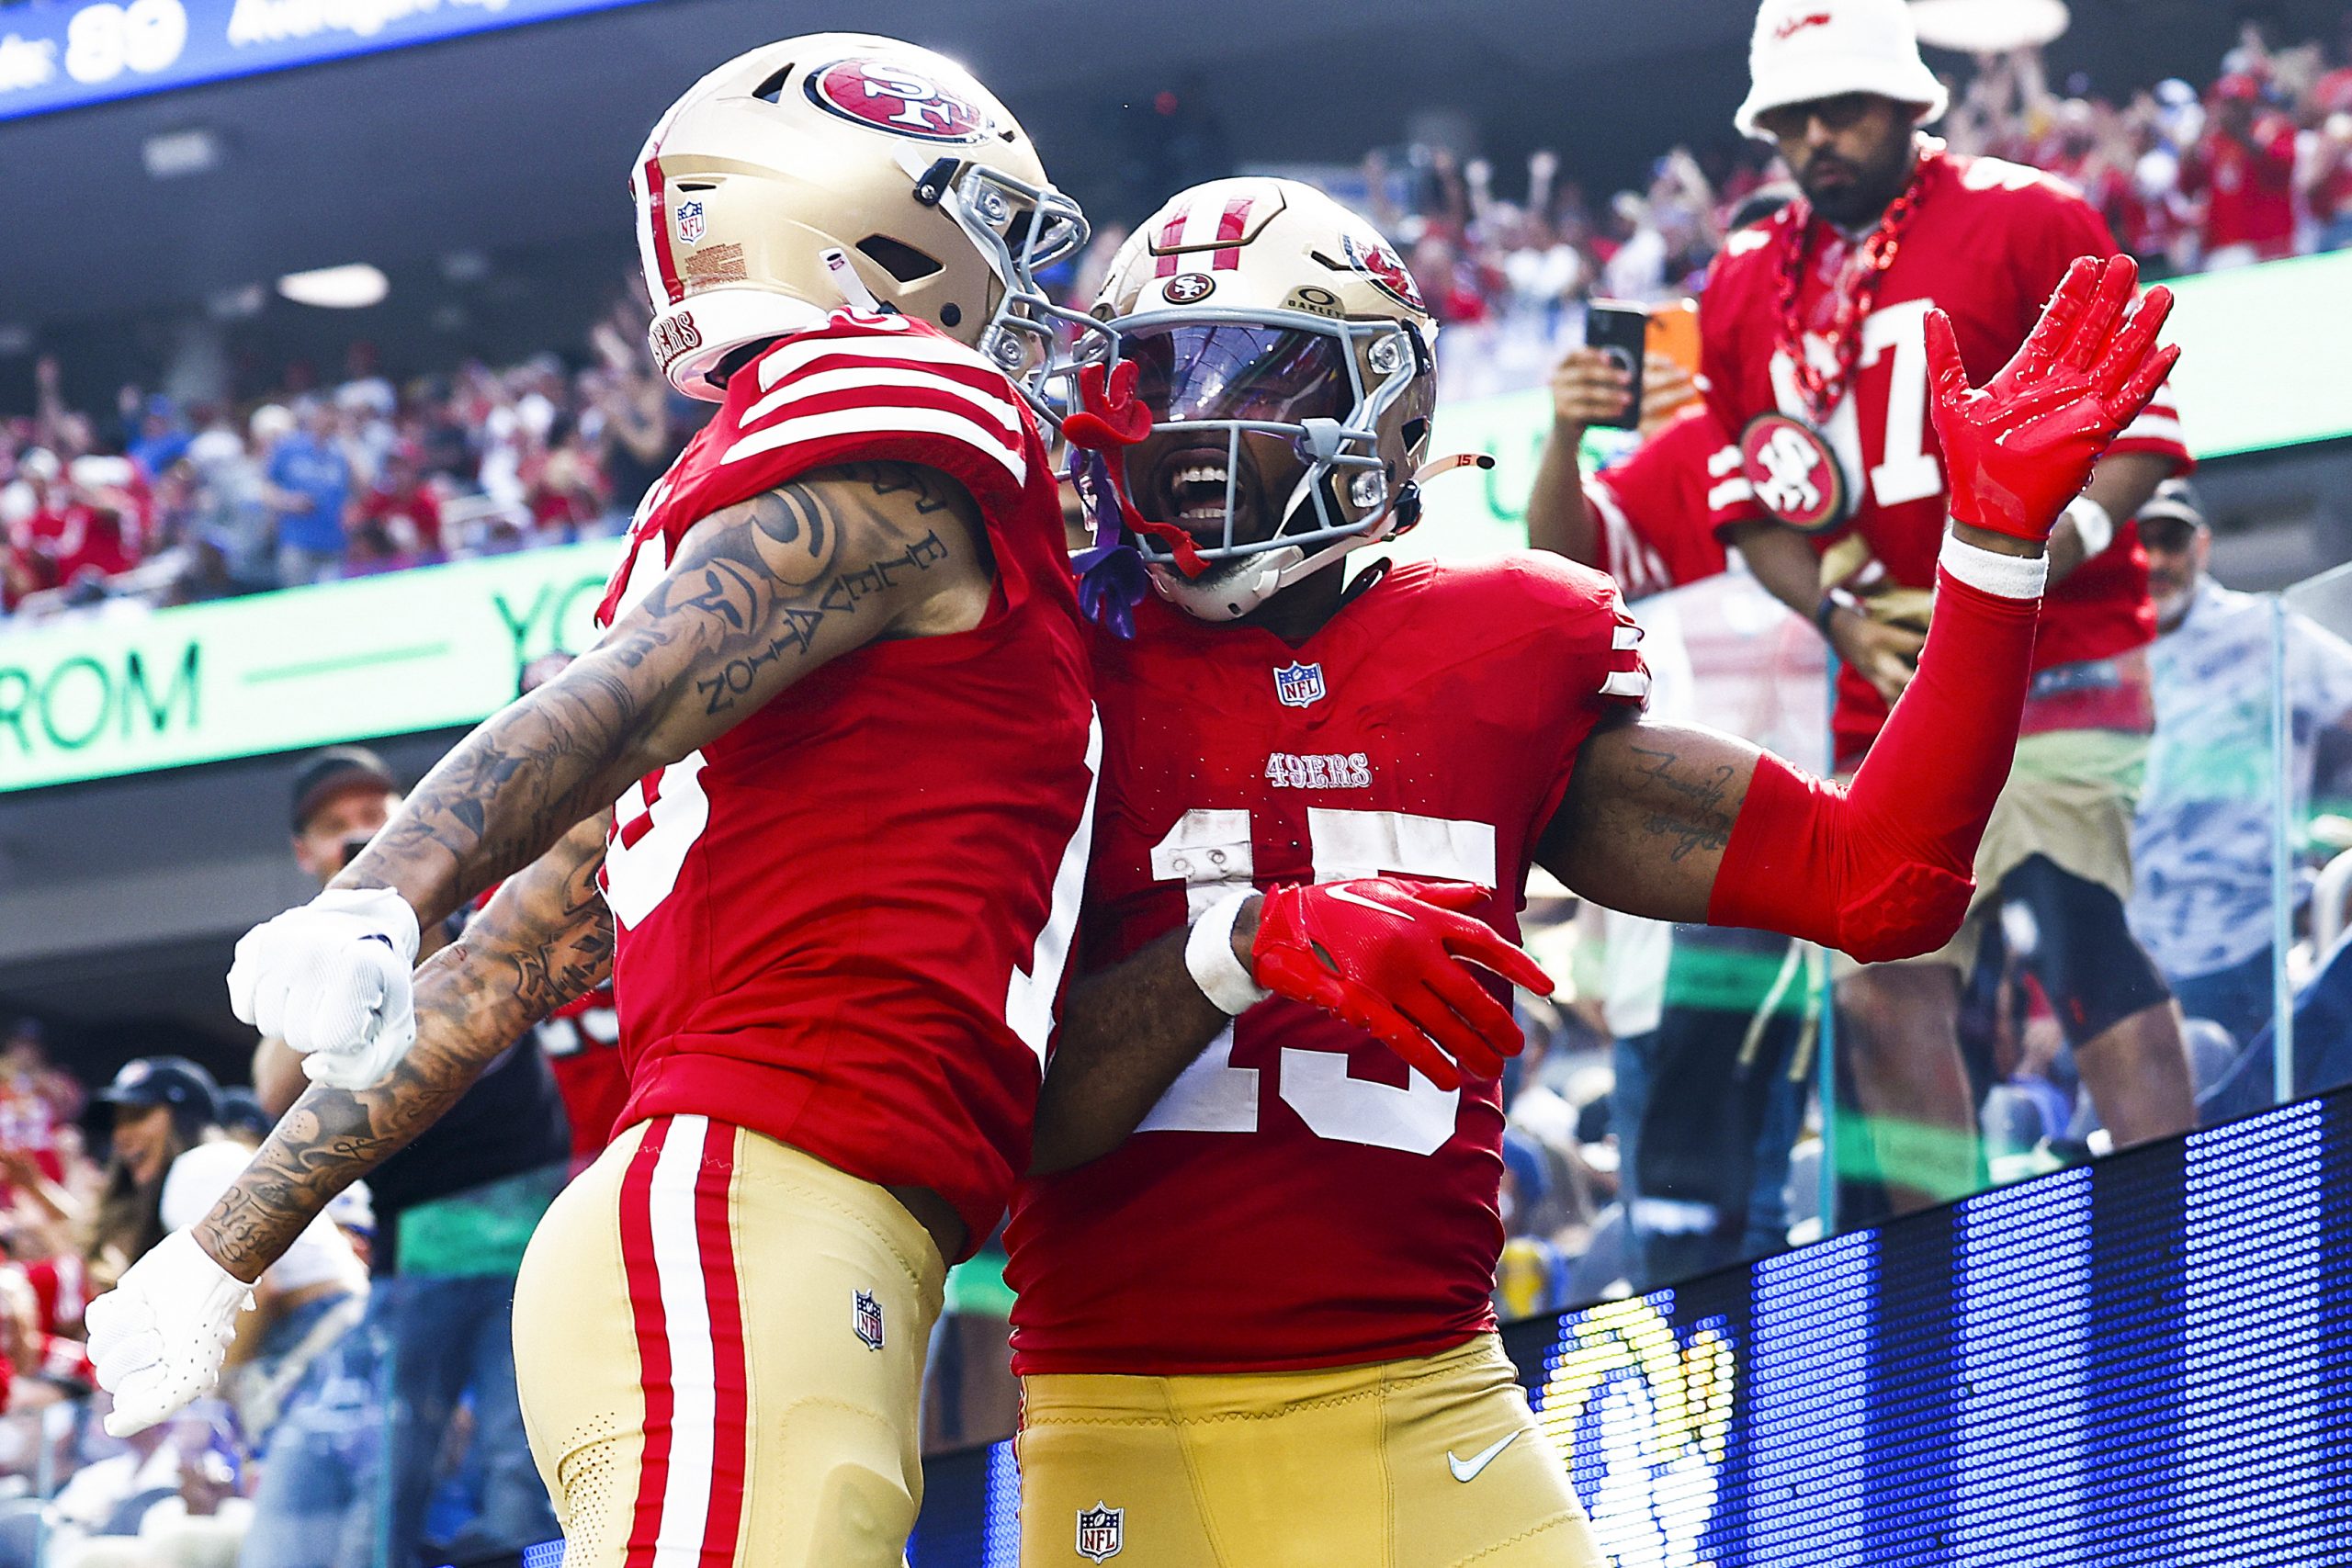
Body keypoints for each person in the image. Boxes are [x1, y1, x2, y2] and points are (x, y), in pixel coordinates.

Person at [1004, 176, 2176, 1566]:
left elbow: (1886, 882)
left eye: (1243, 368)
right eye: (1151, 374)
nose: (1185, 421)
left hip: (1430, 1398)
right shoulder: (1053, 657)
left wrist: (1990, 557)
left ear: (1385, 404)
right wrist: (1237, 944)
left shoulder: (1499, 647)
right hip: (1133, 1414)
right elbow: (1014, 1123)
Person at [89, 34, 1111, 1568]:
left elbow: (513, 963)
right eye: (977, 217)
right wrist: (387, 883)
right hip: (747, 1208)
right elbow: (628, 691)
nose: (1016, 279)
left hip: (773, 1216)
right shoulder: (895, 458)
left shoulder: (818, 607)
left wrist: (223, 1249)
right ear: (844, 216)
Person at [1703, 0, 2198, 1212]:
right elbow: (1753, 507)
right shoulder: (1740, 286)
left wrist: (2024, 560)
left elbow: (2147, 441)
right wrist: (1840, 623)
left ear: (1912, 101)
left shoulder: (2028, 216)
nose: (1820, 136)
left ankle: (2186, 1239)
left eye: (1846, 106)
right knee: (1878, 981)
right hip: (1891, 691)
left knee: (2068, 930)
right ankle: (1966, 1292)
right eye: (1794, 116)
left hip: (2059, 660)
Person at [254, 745, 571, 1567]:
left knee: (519, 1465)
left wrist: (409, 900)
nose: (360, 837)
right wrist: (347, 933)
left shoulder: (487, 919)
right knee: (391, 1474)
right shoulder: (323, 957)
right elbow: (271, 1087)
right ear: (306, 854)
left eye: (375, 816)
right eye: (336, 828)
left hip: (531, 1242)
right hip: (414, 1259)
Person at [2127, 479, 2352, 1046]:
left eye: (2171, 541)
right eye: (2141, 540)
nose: (2157, 559)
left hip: (2251, 938)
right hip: (2136, 954)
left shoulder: (2264, 630)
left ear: (2200, 547)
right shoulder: (2107, 650)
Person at [263, 401, 352, 588]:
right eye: (325, 415)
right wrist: (289, 502)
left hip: (333, 542)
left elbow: (365, 484)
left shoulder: (339, 451)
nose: (328, 421)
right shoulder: (290, 447)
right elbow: (266, 488)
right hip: (297, 541)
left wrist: (348, 440)